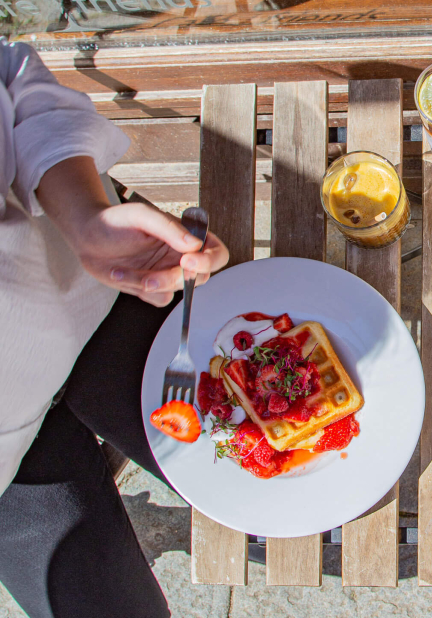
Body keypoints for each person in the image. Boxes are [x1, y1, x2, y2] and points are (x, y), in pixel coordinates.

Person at [0, 38, 228, 617]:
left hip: (98, 288)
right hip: (12, 471)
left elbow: (12, 82)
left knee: (276, 480)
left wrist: (83, 214)